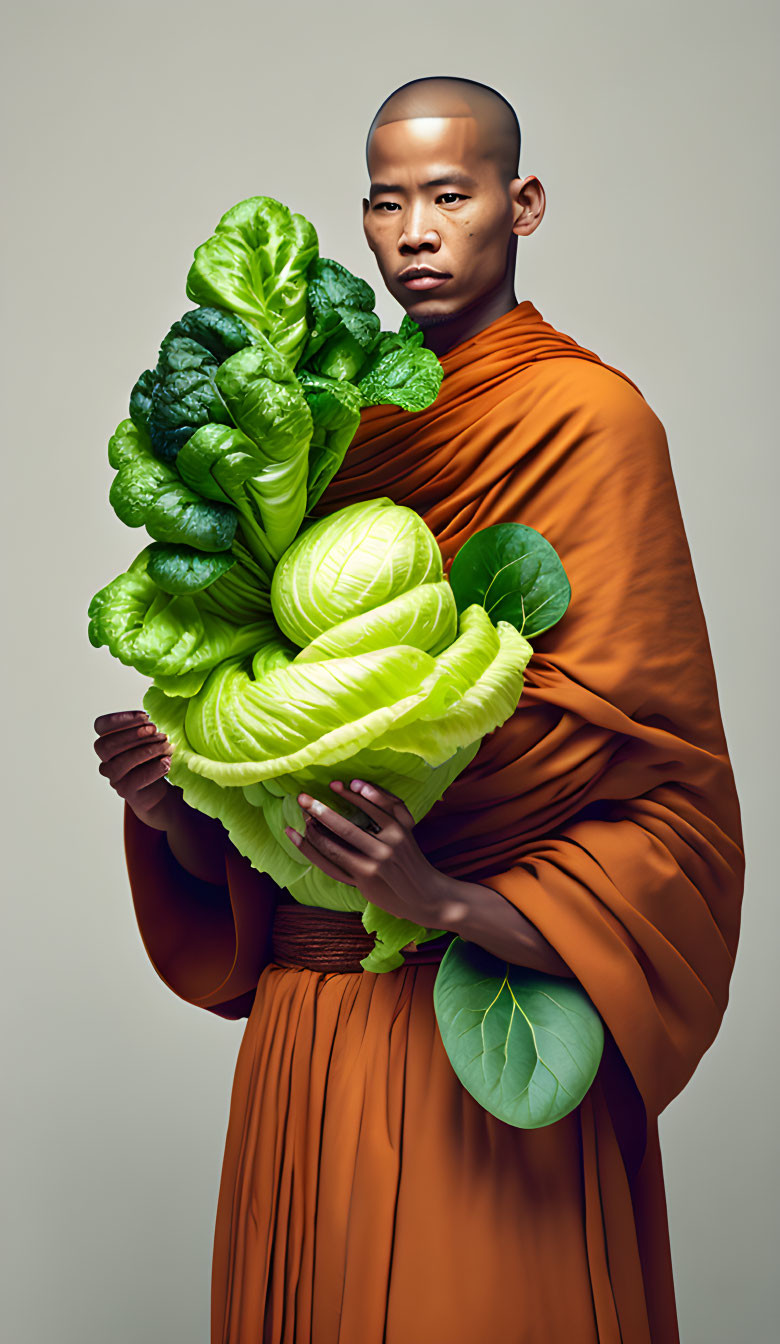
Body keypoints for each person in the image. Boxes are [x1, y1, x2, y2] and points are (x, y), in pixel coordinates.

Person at [92, 76, 745, 1344]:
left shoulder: (594, 425)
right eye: (388, 203)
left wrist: (442, 898)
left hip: (480, 1018)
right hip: (308, 1026)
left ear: (524, 202)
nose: (417, 232)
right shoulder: (332, 431)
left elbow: (662, 795)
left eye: (451, 195)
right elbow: (286, 774)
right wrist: (185, 805)